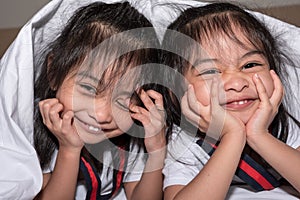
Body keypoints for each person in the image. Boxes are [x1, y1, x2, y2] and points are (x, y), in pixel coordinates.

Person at [161, 2, 300, 199]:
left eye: (250, 65)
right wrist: (232, 136)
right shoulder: (186, 140)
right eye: (210, 71)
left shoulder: (280, 123)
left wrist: (259, 135)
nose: (236, 83)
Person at [33, 2, 168, 199]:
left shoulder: (129, 142)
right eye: (88, 88)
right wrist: (69, 150)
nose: (102, 115)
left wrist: (156, 151)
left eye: (122, 100)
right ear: (54, 72)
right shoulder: (29, 139)